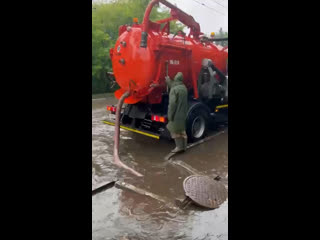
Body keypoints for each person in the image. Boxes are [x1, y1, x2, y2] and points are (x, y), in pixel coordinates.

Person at [165, 72, 188, 153]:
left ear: (175, 78)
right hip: (183, 112)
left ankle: (178, 147)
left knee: (174, 130)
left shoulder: (174, 90)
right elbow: (174, 85)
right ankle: (184, 146)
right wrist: (168, 81)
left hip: (176, 114)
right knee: (182, 129)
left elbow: (172, 104)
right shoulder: (183, 87)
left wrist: (170, 115)